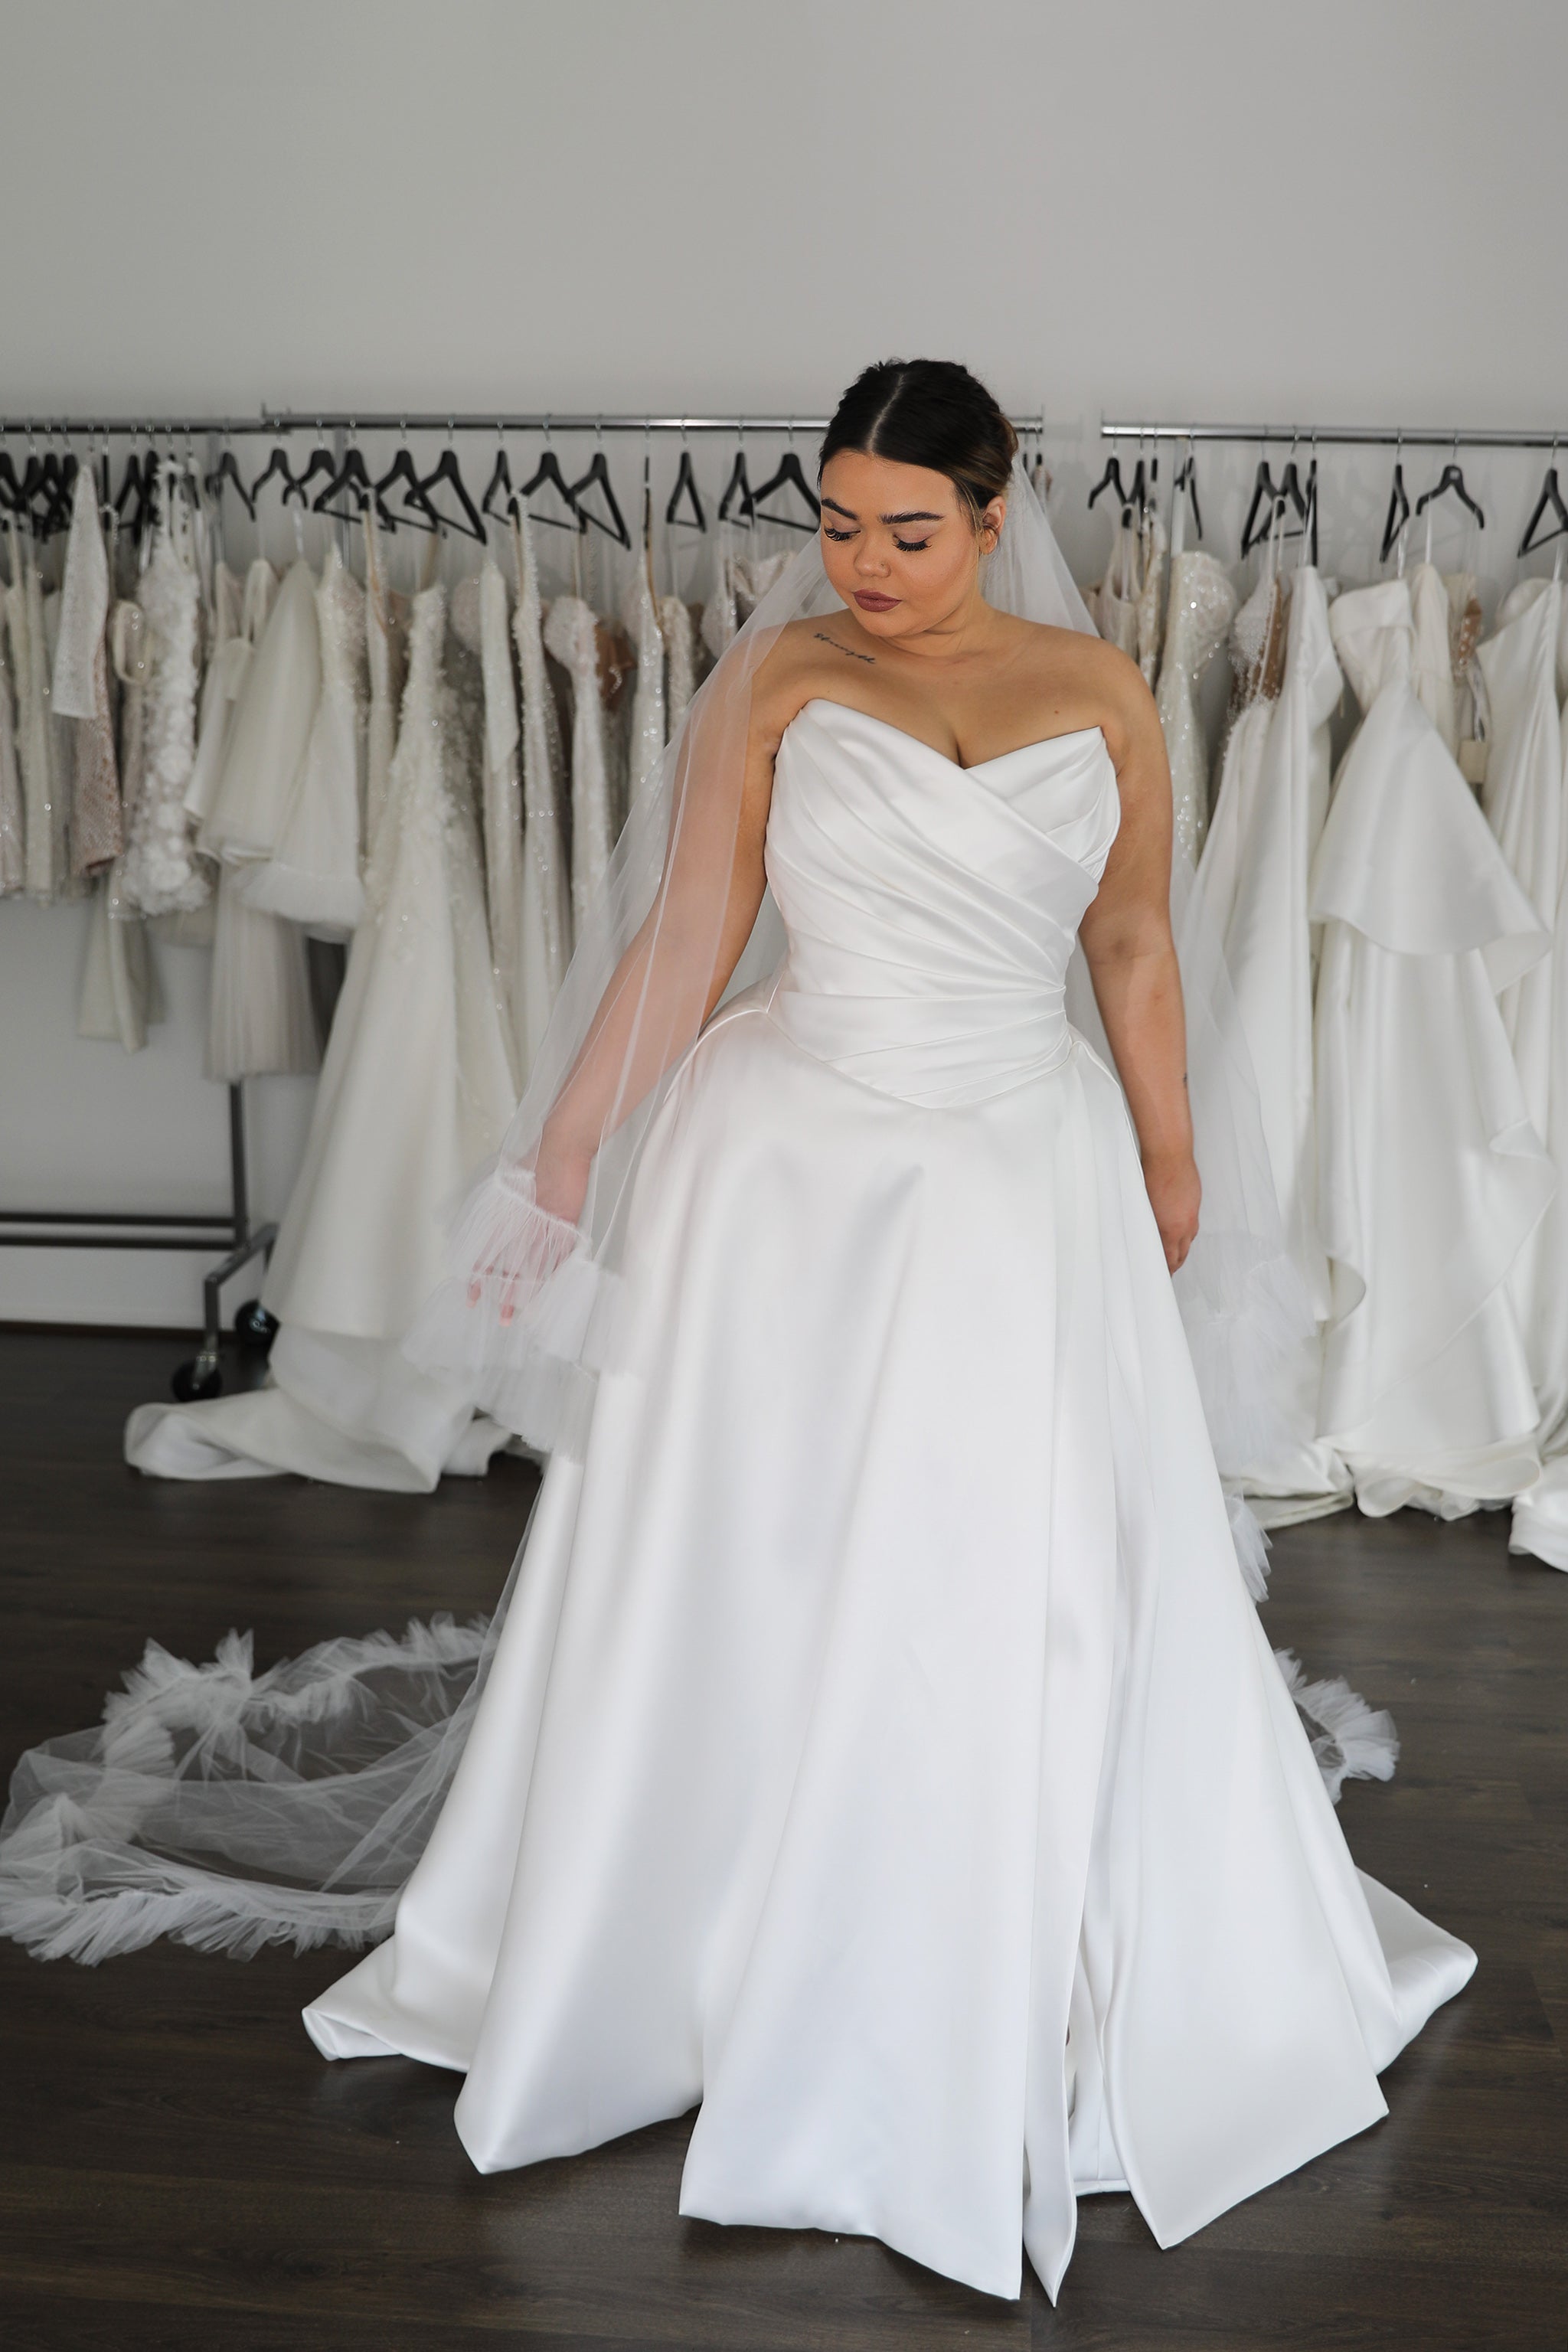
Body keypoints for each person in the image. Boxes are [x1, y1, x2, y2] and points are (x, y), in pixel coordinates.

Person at [0, 363, 1474, 2305]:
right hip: (786, 1171)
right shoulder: (778, 680)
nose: (863, 564)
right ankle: (711, 1910)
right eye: (838, 521)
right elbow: (688, 933)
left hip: (1016, 1169)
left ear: (996, 500)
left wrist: (1173, 1161)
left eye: (909, 530)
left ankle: (985, 1914)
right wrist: (562, 1156)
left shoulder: (1100, 691)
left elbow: (1129, 937)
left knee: (1000, 1557)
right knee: (759, 1546)